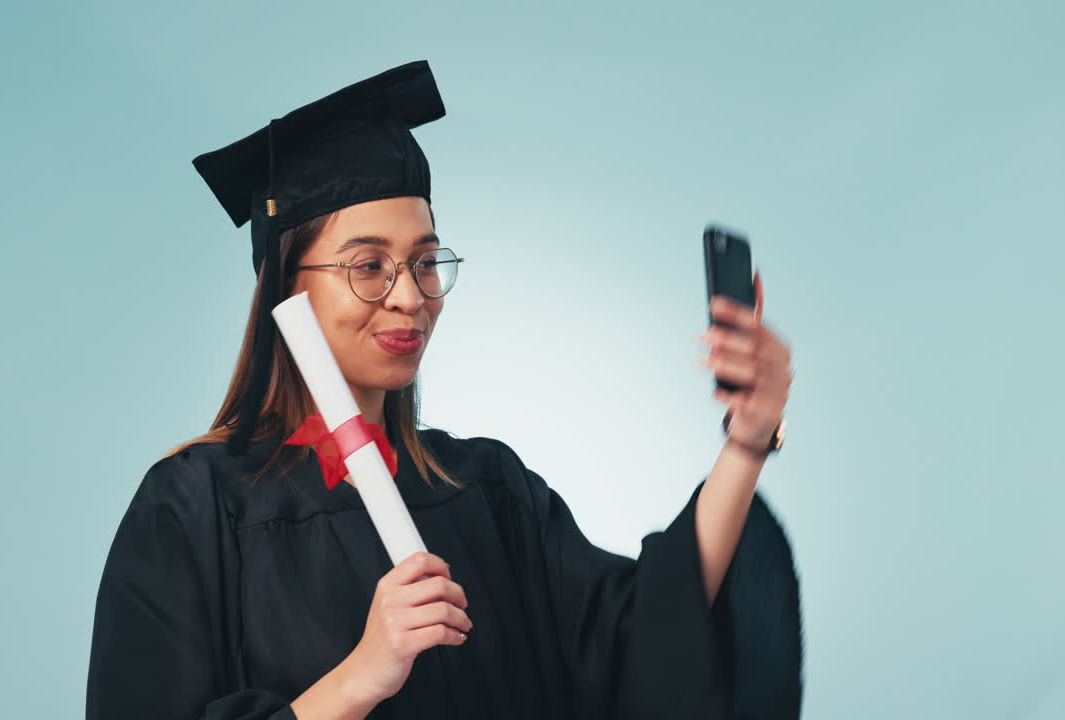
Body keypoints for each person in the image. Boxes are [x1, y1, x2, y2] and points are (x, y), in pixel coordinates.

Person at [85, 60, 802, 720]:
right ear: (286, 289)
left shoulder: (487, 489)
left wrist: (746, 441)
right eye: (369, 266)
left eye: (427, 262)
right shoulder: (194, 510)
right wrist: (361, 674)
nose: (410, 298)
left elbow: (646, 632)